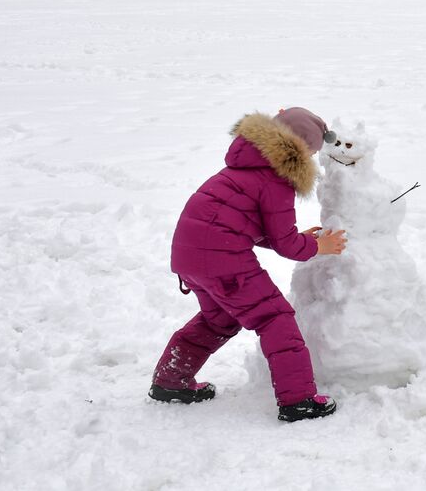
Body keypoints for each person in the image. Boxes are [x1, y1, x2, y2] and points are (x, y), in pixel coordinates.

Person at [149, 107, 347, 422]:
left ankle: (171, 382)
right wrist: (319, 246)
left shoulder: (244, 165)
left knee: (219, 320)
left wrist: (298, 237)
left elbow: (243, 224)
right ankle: (298, 401)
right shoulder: (277, 180)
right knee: (275, 318)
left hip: (189, 256)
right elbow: (286, 245)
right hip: (221, 259)